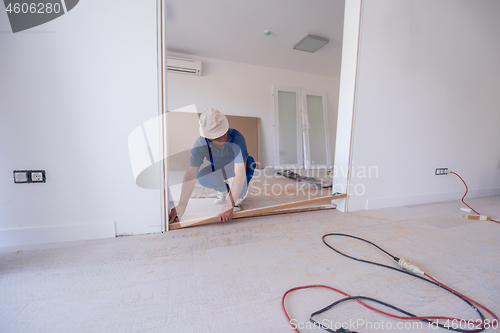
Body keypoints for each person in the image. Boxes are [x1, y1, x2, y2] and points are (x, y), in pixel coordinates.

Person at [169, 108, 256, 223]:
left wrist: (229, 205)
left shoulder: (237, 138)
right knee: (201, 176)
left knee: (249, 165)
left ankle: (235, 195)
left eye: (223, 134)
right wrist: (181, 205)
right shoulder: (200, 144)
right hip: (219, 169)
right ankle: (224, 190)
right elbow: (191, 173)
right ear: (207, 137)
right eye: (216, 138)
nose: (221, 139)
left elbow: (240, 172)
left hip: (235, 168)